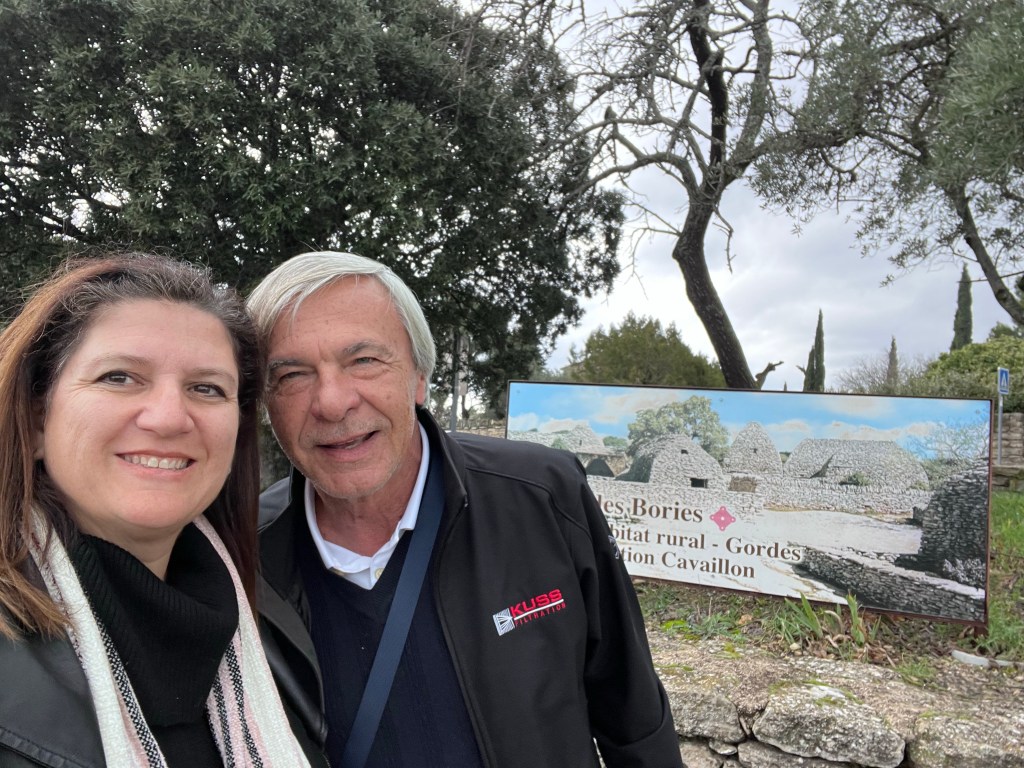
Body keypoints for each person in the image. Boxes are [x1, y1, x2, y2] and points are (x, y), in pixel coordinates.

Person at [249, 250, 683, 767]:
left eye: (363, 361)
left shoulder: (542, 497)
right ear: (266, 404)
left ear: (418, 377)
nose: (331, 402)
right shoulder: (245, 553)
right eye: (292, 376)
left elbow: (634, 718)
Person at [0, 253, 325, 768]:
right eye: (119, 377)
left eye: (206, 388)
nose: (170, 418)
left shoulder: (272, 633)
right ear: (37, 419)